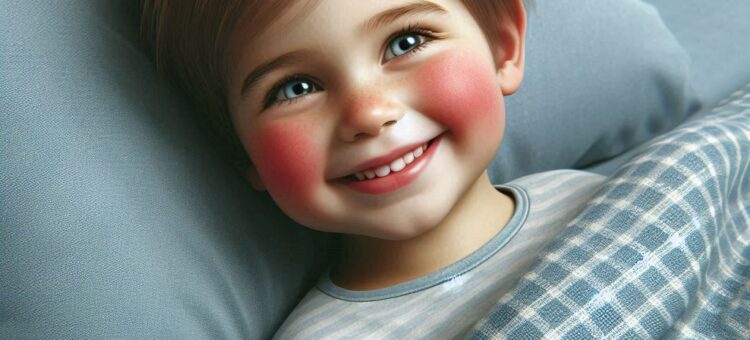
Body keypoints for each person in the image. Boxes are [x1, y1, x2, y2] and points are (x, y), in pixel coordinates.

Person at [140, 0, 606, 337]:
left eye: (406, 42)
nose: (367, 114)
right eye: (295, 88)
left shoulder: (606, 202)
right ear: (241, 153)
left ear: (502, 45)